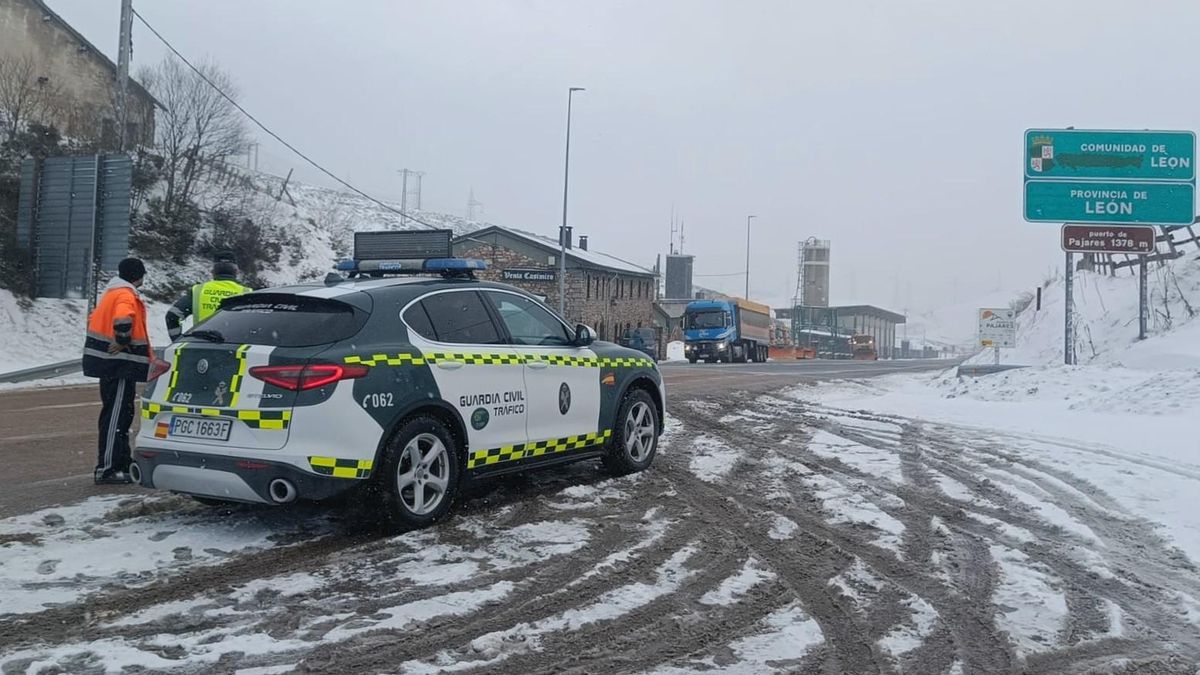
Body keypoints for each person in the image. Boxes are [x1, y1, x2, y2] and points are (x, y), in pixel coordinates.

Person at [83, 258, 154, 484]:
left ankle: (121, 462)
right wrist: (123, 339)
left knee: (121, 414)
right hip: (119, 364)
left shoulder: (112, 292)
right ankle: (107, 469)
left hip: (113, 364)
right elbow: (123, 317)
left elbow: (94, 319)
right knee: (115, 416)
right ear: (136, 275)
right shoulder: (125, 294)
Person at [166, 253, 251, 340]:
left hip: (201, 343)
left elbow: (172, 315)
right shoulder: (247, 293)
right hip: (235, 345)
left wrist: (177, 339)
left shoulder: (198, 291)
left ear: (213, 272)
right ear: (236, 272)